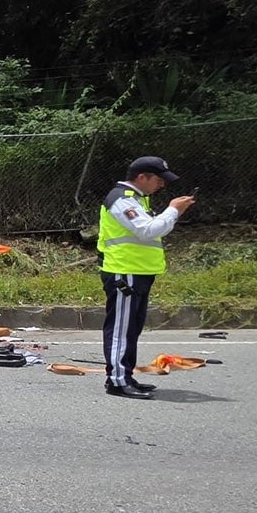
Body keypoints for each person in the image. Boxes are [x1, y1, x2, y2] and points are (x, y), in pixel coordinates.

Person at [97, 156, 195, 399]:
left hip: (137, 272)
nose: (161, 185)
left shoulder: (139, 200)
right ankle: (118, 381)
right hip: (124, 272)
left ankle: (125, 376)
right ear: (142, 177)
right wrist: (173, 210)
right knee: (121, 330)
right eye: (158, 180)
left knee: (132, 328)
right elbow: (147, 230)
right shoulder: (122, 200)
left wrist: (173, 212)